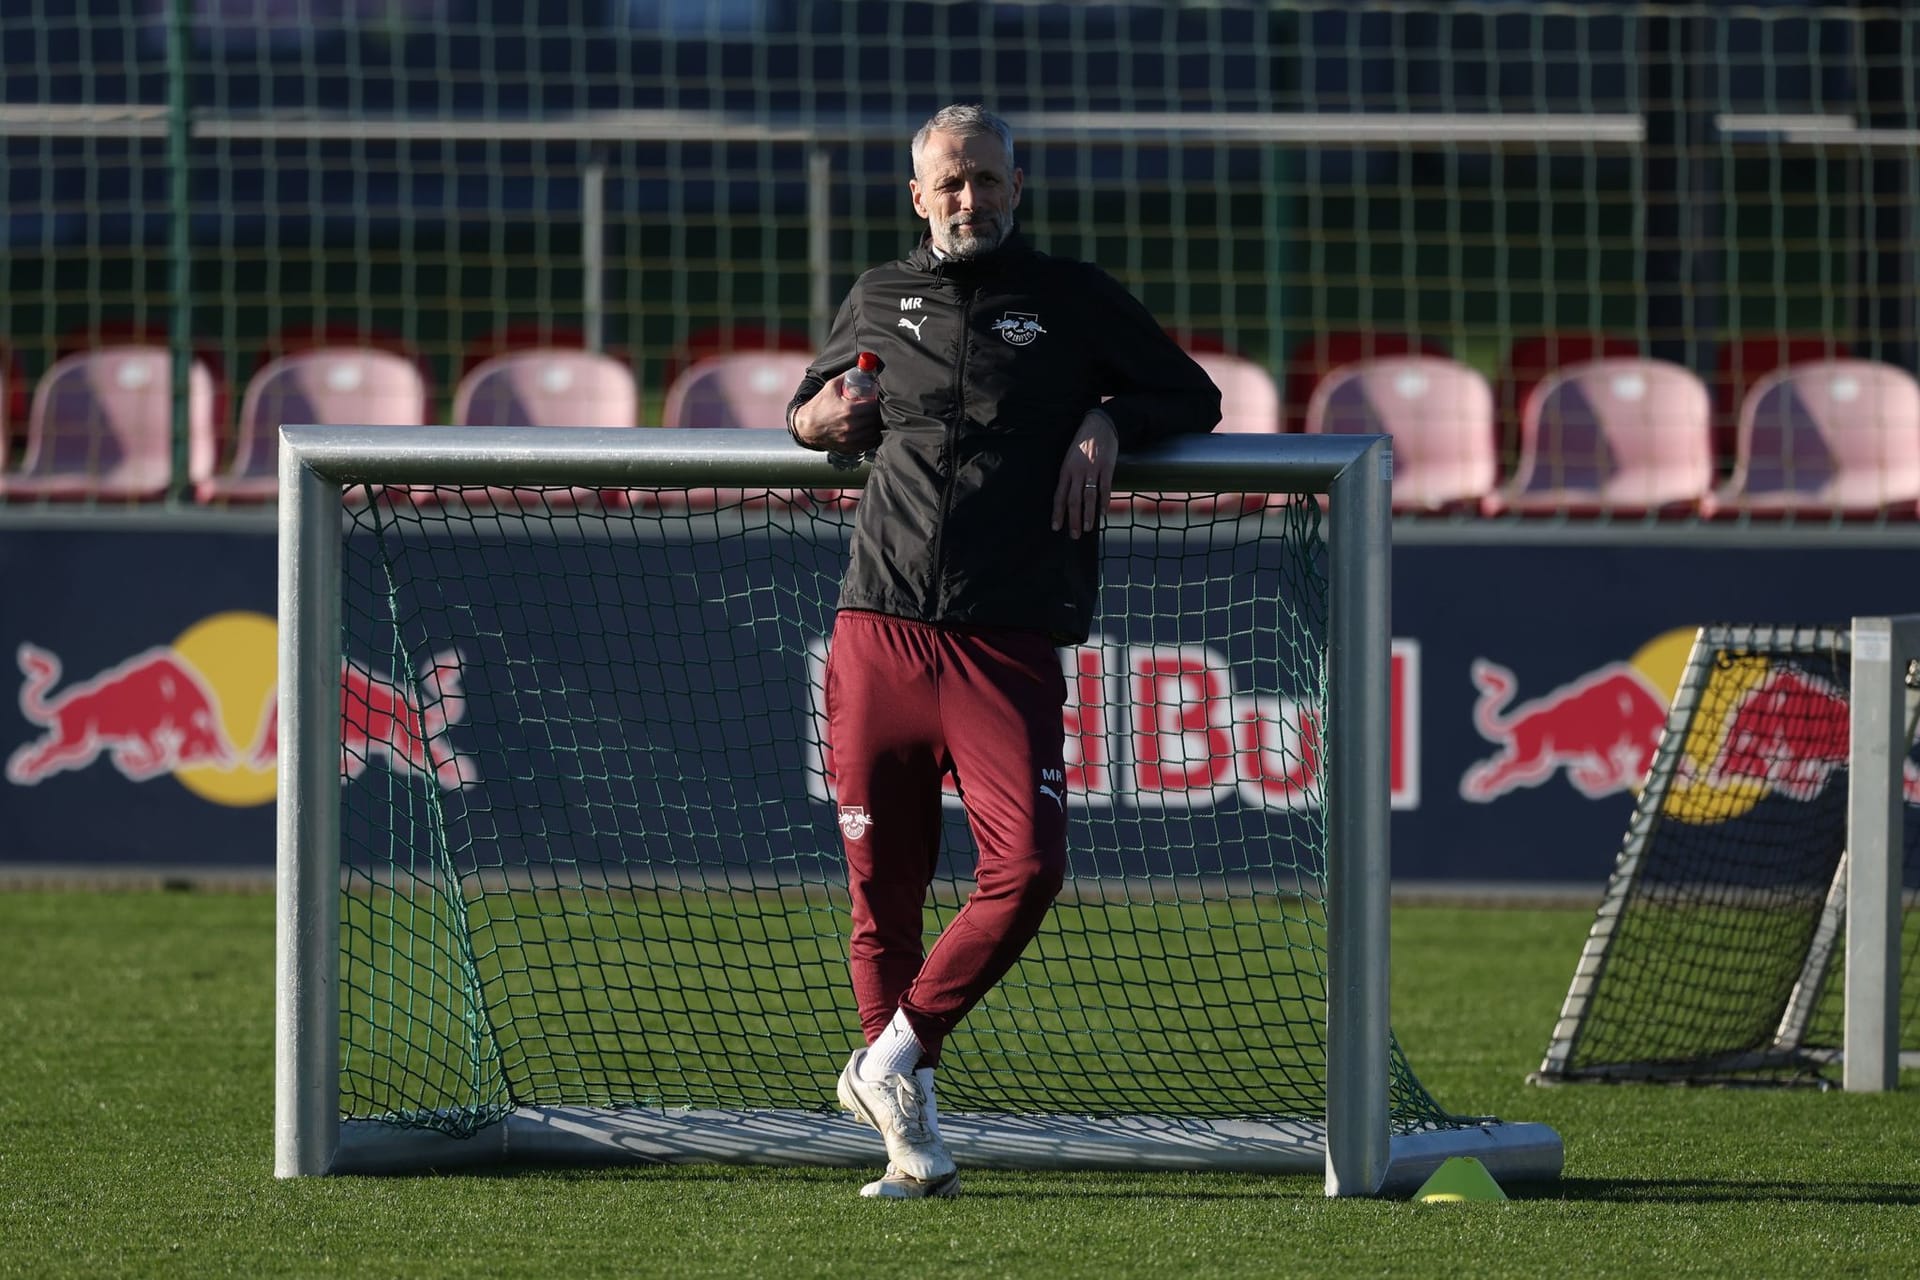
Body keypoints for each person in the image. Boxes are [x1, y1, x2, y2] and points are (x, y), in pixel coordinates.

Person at [786, 103, 1221, 1200]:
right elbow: (807, 407)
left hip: (1004, 638)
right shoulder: (879, 295)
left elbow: (1196, 395)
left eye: (986, 178)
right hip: (875, 630)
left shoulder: (1071, 298)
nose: (968, 198)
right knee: (879, 891)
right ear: (919, 196)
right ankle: (910, 1141)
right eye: (949, 183)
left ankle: (891, 1055)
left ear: (1016, 186)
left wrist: (1111, 418)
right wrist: (818, 420)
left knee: (1026, 866)